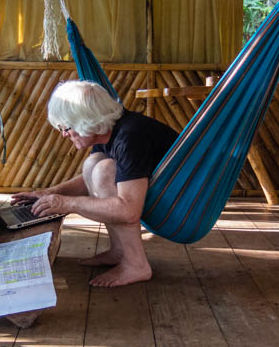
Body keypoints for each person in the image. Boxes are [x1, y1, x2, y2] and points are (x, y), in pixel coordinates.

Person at [12, 80, 178, 287]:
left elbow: (128, 210)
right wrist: (48, 193)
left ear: (86, 121)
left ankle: (136, 264)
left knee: (103, 170)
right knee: (94, 164)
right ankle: (119, 251)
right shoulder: (109, 132)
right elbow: (87, 180)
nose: (64, 134)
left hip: (178, 202)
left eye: (66, 127)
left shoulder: (130, 137)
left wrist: (67, 203)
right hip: (151, 190)